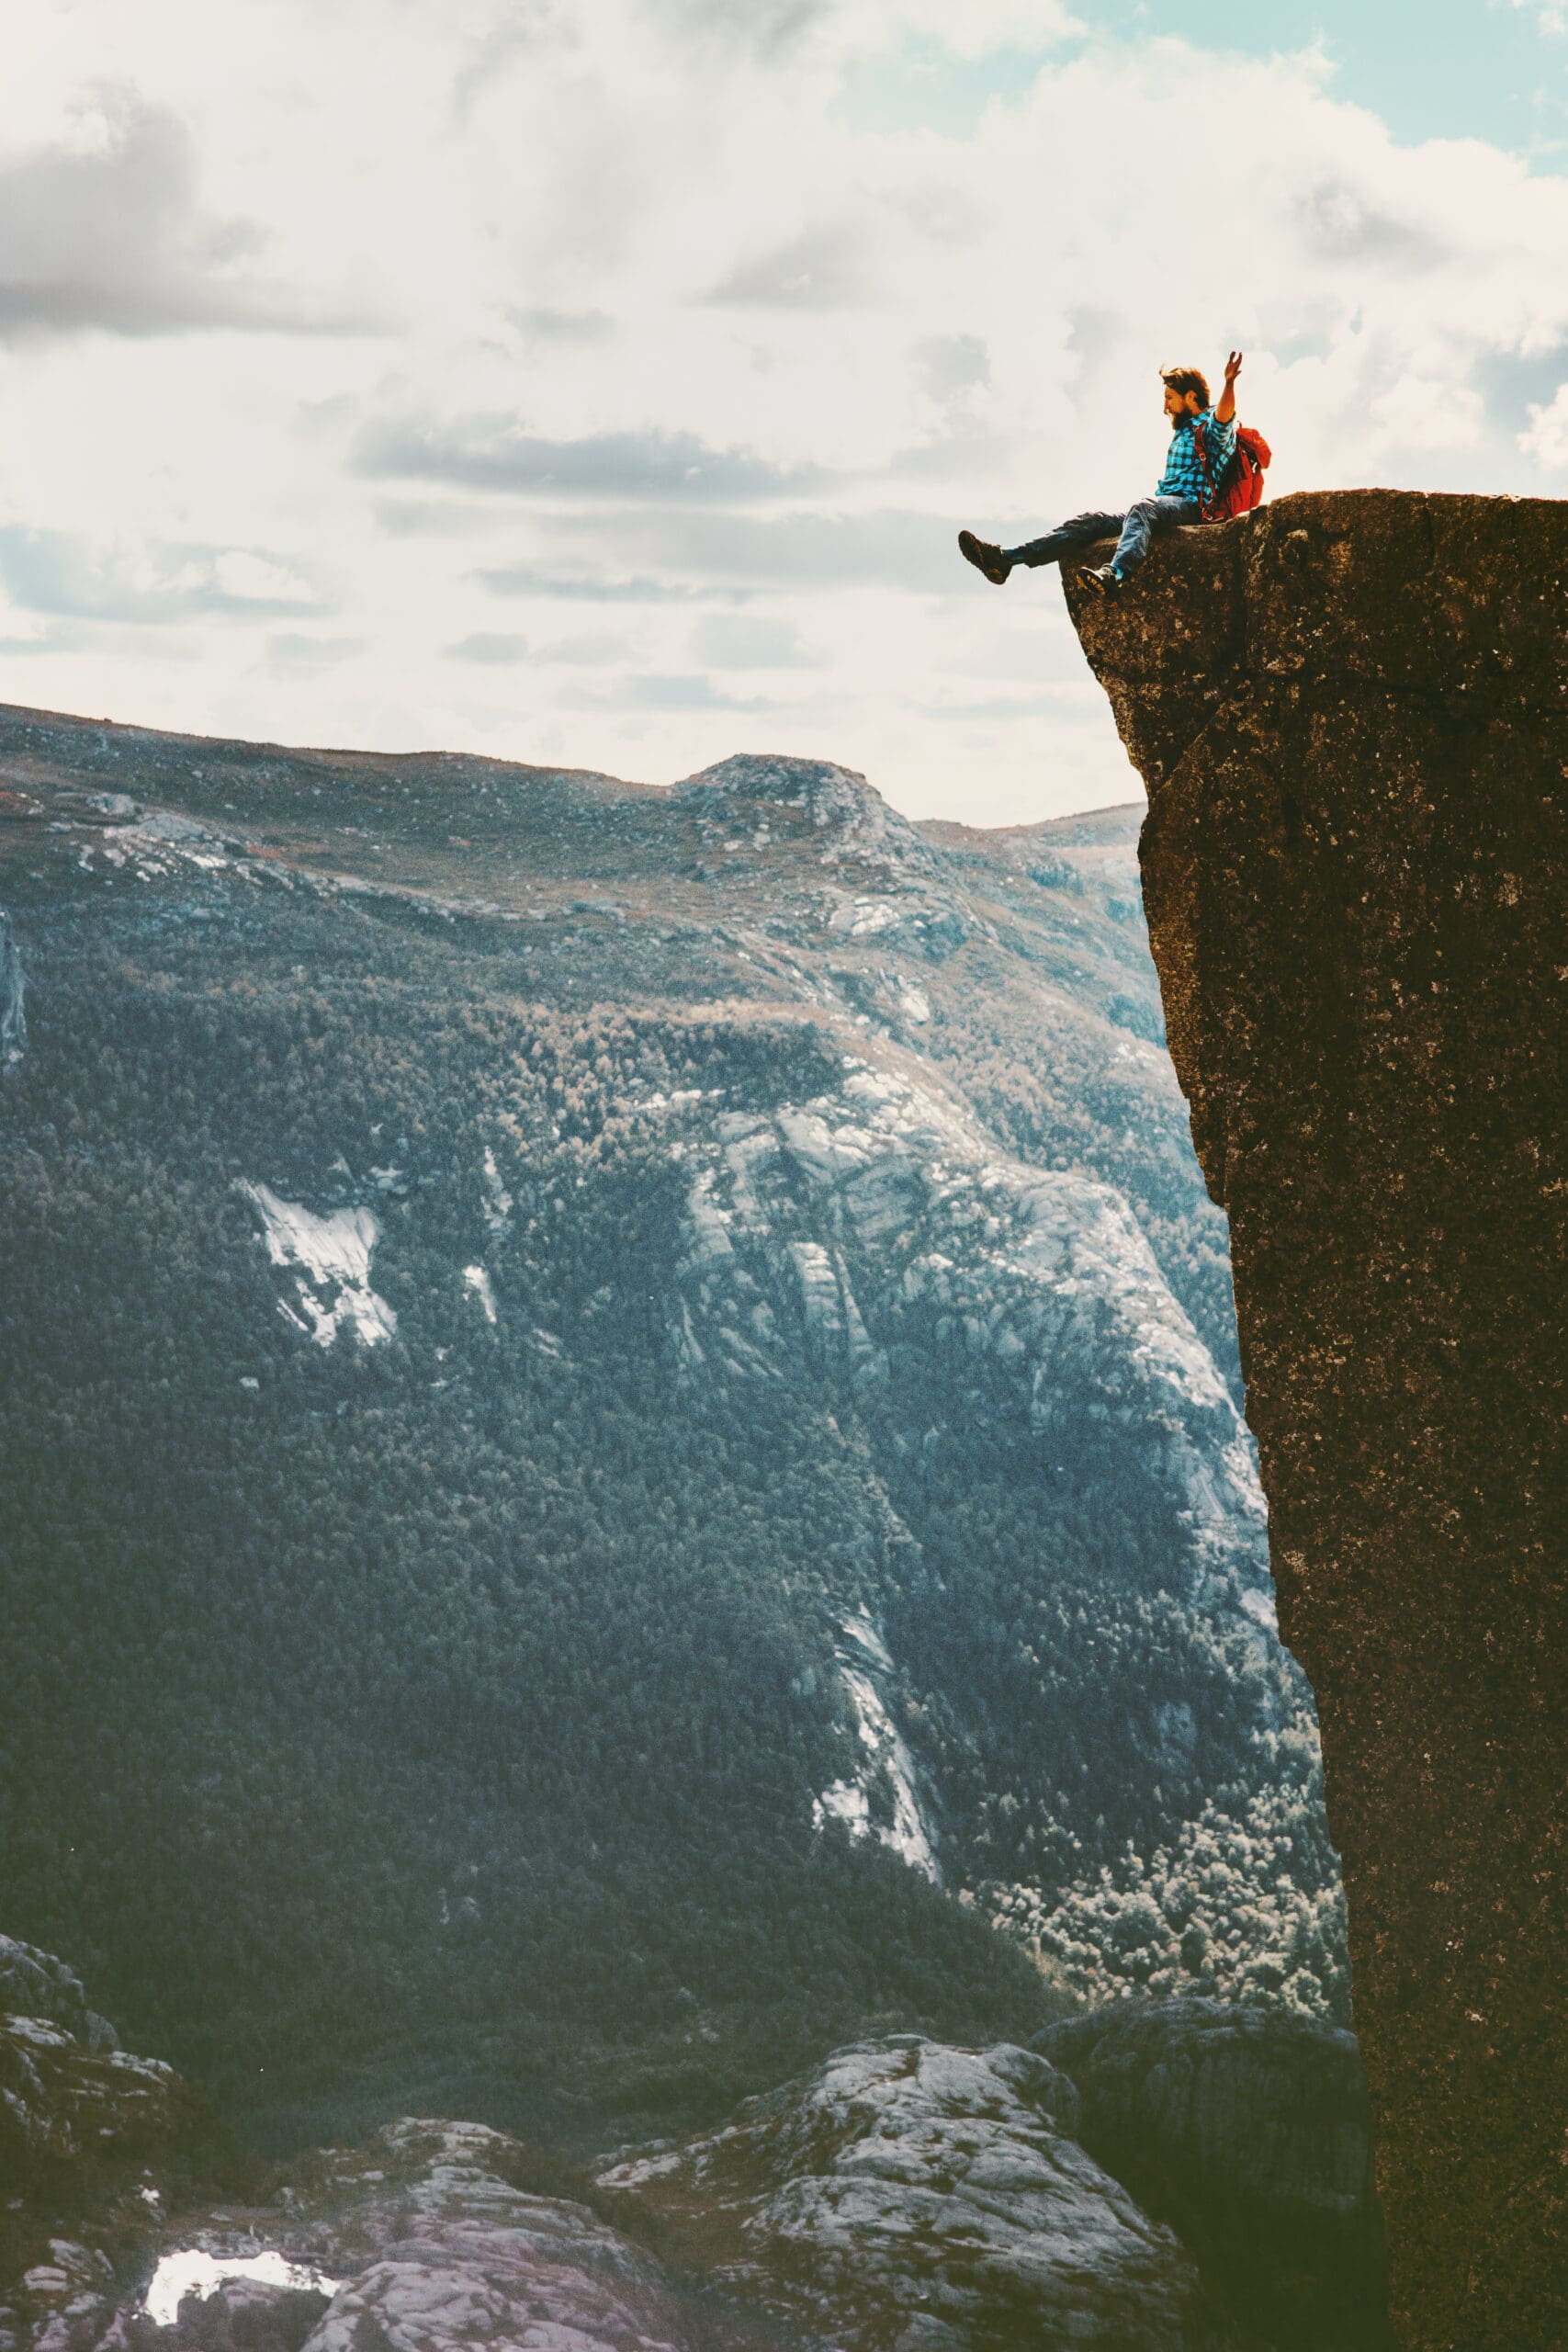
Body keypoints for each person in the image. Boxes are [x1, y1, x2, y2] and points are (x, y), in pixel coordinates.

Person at [958, 352, 1244, 597]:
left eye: (1170, 398)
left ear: (1190, 396)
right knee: (1090, 522)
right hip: (1163, 506)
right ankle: (1006, 558)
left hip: (1191, 507)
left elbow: (1224, 419)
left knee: (1143, 509)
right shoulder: (1183, 432)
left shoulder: (1209, 424)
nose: (1165, 406)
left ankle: (1114, 575)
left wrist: (1228, 384)